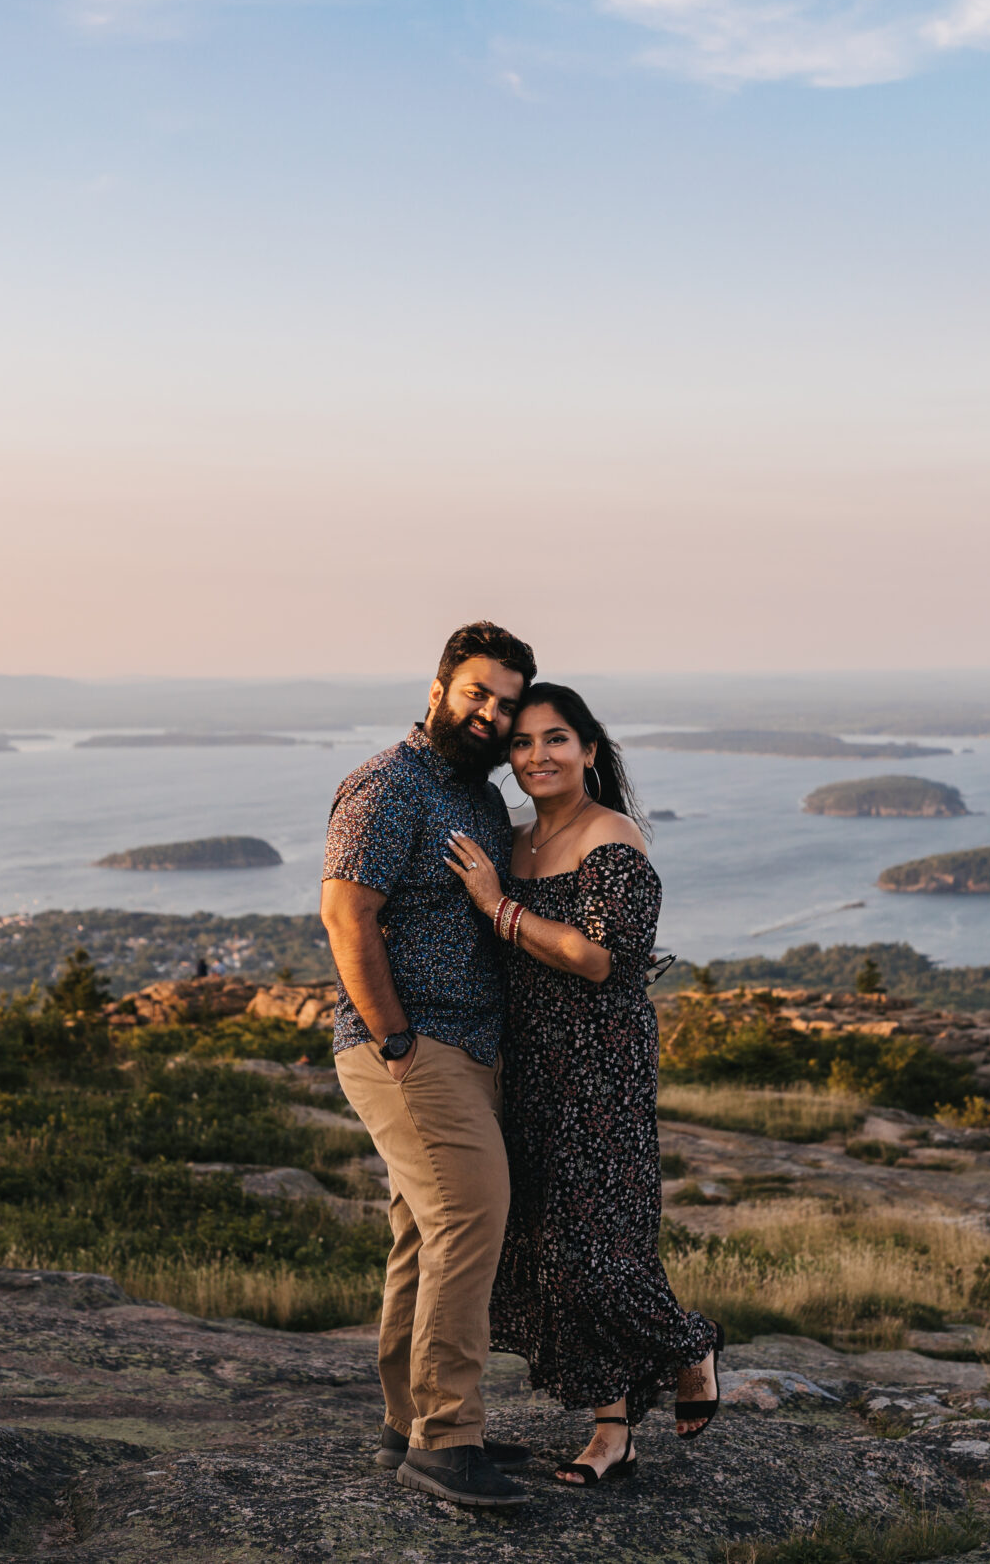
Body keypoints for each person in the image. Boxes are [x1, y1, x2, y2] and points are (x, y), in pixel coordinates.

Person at [444, 682, 723, 1489]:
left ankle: (688, 1341)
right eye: (523, 743)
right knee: (546, 1250)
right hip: (525, 1065)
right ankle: (612, 1432)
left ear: (590, 750)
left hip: (601, 1067)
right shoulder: (517, 838)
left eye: (556, 739)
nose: (537, 756)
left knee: (598, 1257)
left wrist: (496, 906)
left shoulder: (614, 836)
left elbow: (601, 957)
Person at [320, 620, 544, 1509]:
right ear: (439, 687)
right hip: (412, 1044)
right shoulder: (388, 785)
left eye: (507, 703)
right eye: (477, 693)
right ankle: (449, 1440)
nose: (491, 713)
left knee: (423, 1230)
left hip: (468, 1047)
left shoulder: (479, 799)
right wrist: (398, 1040)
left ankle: (407, 1422)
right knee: (472, 1216)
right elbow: (347, 918)